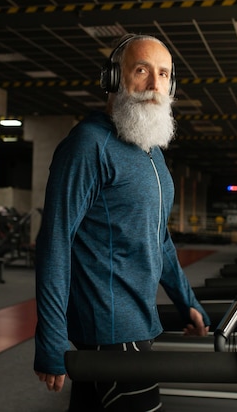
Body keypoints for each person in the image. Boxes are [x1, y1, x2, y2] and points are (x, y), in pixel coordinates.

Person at [34, 34, 211, 411]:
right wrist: (51, 338)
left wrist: (187, 302)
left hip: (136, 321)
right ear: (114, 78)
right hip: (110, 328)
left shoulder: (151, 153)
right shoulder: (88, 144)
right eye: (142, 70)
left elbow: (159, 240)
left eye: (164, 75)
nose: (154, 85)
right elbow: (55, 241)